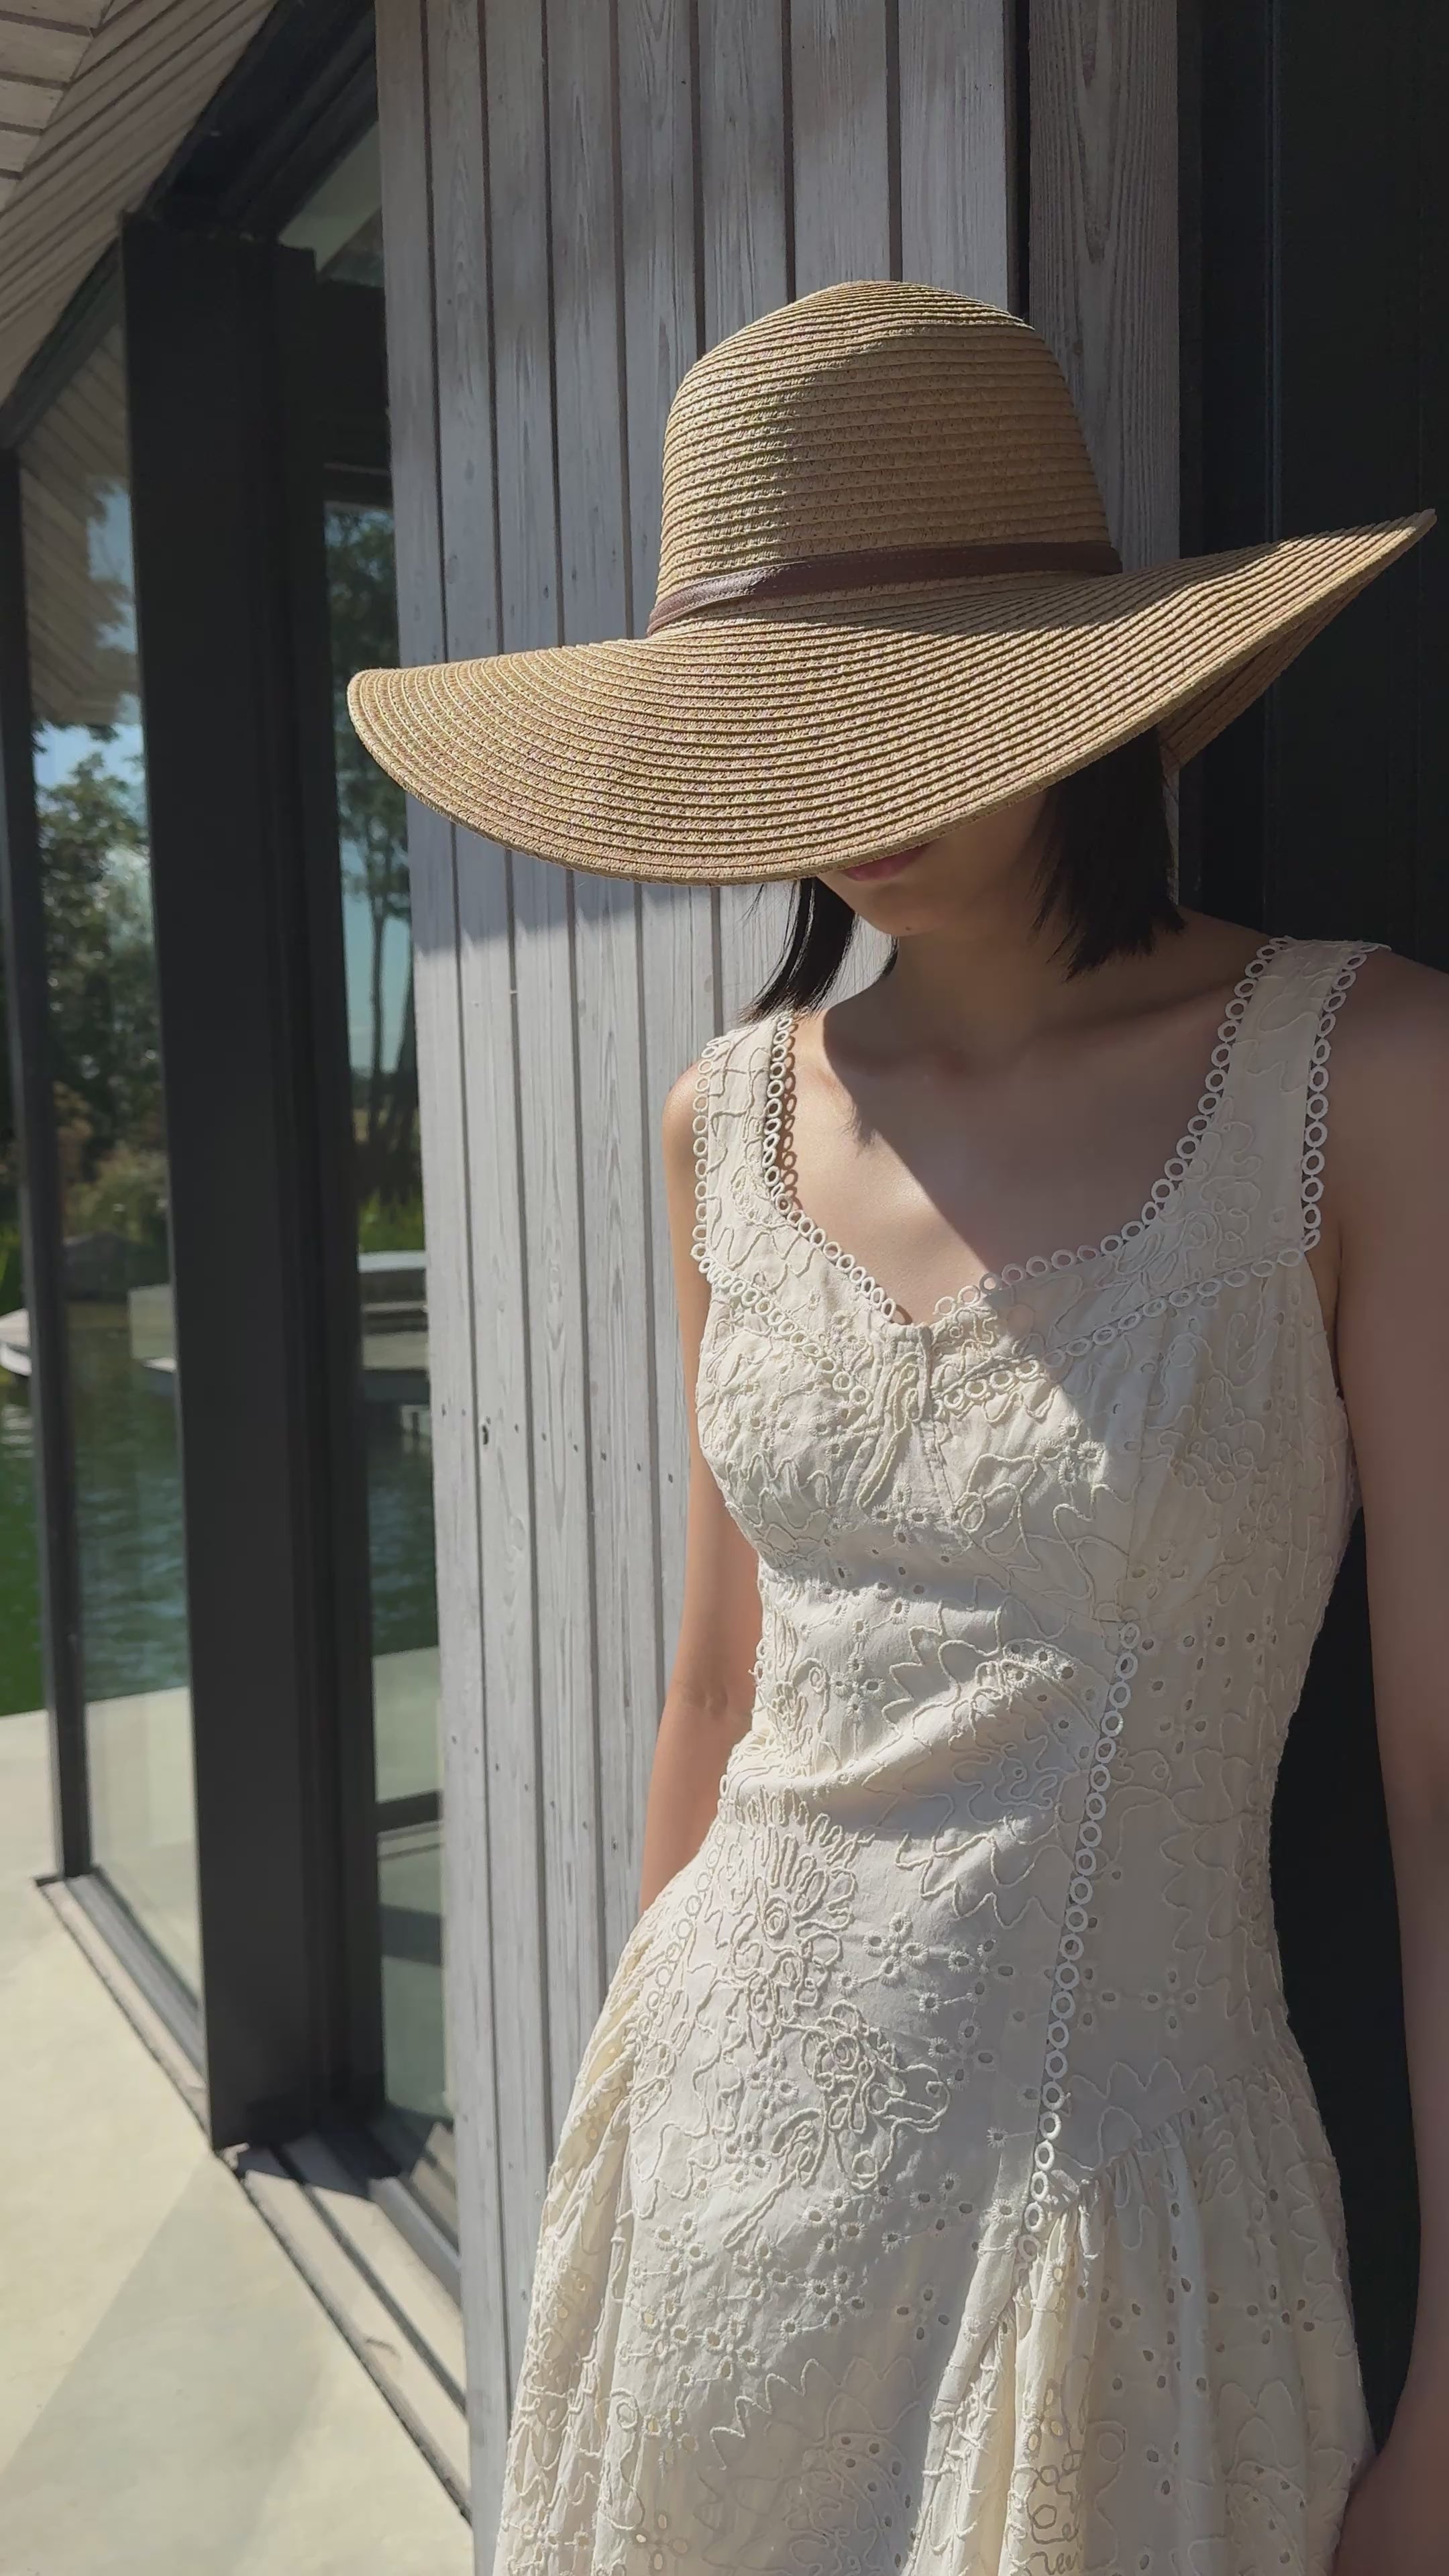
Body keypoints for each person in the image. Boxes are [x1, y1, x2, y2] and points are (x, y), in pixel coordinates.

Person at [349, 282, 1443, 2573]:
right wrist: (616, 2153)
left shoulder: (1363, 1081)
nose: (854, 796)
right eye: (789, 734)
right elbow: (721, 1686)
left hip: (1107, 2244)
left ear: (1072, 682)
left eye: (908, 713)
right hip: (716, 2178)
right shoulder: (726, 1118)